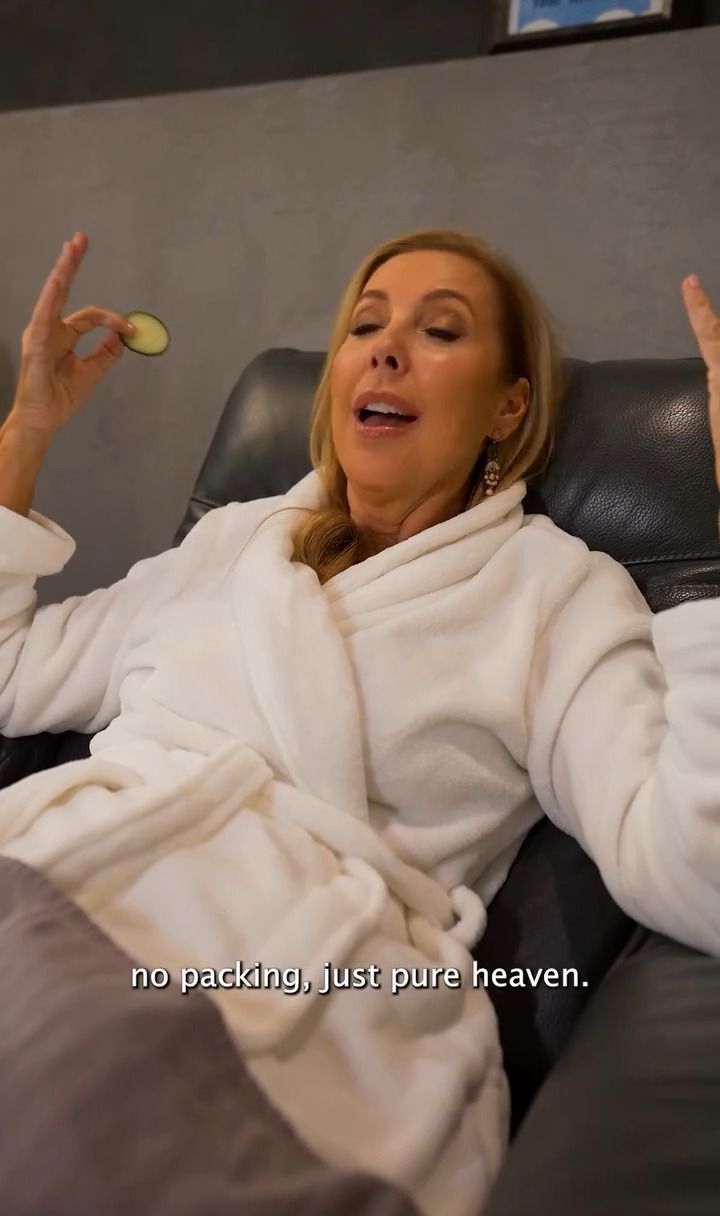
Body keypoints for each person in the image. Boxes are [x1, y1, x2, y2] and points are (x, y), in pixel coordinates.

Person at [0, 228, 718, 1216]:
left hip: (277, 975)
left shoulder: (554, 593)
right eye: (365, 325)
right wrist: (24, 433)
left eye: (439, 330)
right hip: (52, 874)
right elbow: (11, 674)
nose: (384, 349)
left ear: (508, 405)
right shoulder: (234, 539)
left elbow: (692, 863)